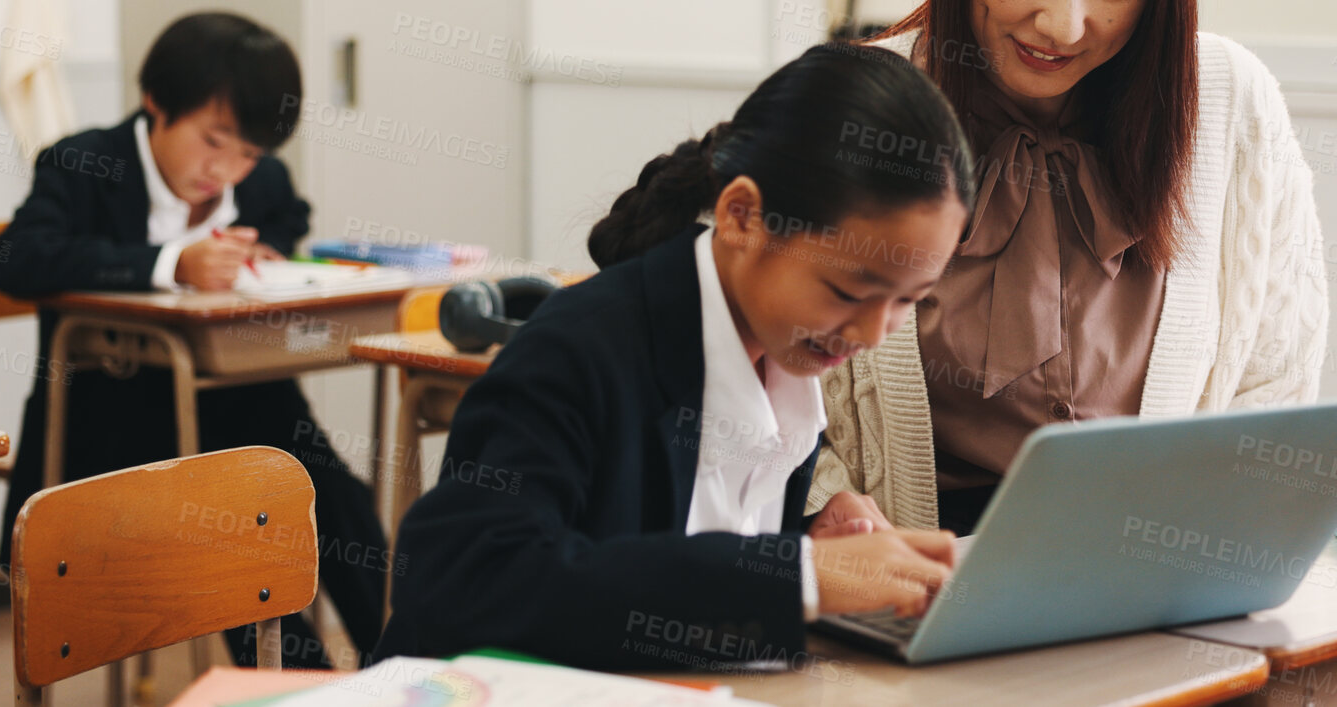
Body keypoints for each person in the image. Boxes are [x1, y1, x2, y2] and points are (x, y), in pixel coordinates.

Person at [812, 0, 1331, 535]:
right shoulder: (855, 107)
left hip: (1147, 576)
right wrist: (826, 508)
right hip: (911, 579)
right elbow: (751, 376)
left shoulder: (1231, 105)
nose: (1063, 22)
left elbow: (1275, 381)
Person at [374, 43, 975, 671]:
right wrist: (797, 575)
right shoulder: (578, 349)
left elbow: (667, 555)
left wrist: (810, 541)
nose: (874, 333)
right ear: (742, 216)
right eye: (848, 292)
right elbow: (466, 583)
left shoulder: (783, 356)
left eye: (909, 301)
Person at [0, 11, 388, 667]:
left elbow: (288, 223)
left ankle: (402, 659)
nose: (226, 171)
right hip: (111, 421)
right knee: (237, 510)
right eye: (214, 141)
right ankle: (303, 682)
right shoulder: (84, 163)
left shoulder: (262, 183)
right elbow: (16, 258)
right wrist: (172, 262)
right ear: (156, 103)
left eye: (250, 153)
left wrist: (261, 253)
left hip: (245, 403)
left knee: (326, 489)